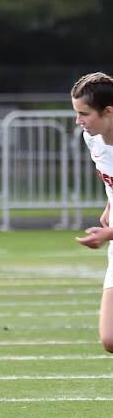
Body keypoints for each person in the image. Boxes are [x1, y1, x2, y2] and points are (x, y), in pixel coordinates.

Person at [71, 71, 113, 352]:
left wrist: (107, 234)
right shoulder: (93, 139)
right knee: (110, 338)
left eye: (84, 114)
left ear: (108, 111)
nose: (78, 121)